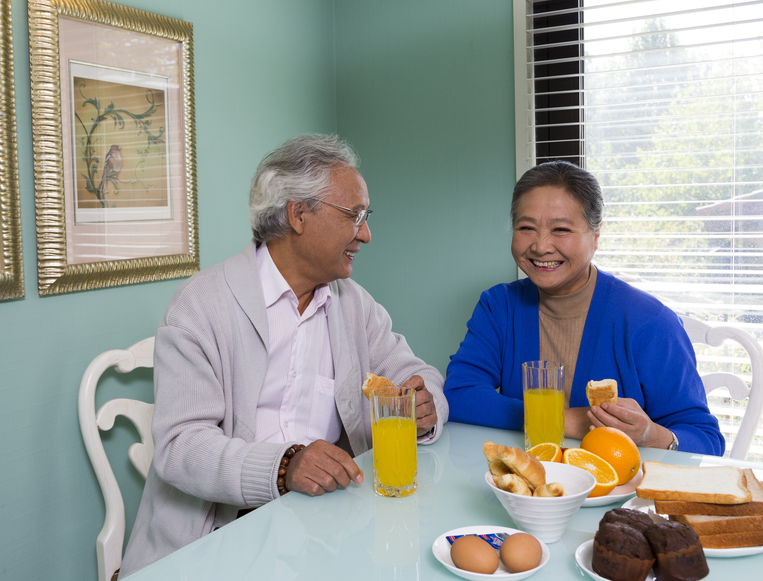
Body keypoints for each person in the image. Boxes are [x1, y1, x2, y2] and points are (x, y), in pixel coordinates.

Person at [120, 134, 448, 576]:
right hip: (221, 536)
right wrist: (284, 465)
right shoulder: (201, 305)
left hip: (327, 524)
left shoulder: (352, 302)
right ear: (298, 214)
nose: (366, 234)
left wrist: (425, 401)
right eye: (355, 215)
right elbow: (181, 447)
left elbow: (415, 371)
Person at [444, 160, 724, 456]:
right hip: (530, 489)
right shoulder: (498, 306)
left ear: (596, 235)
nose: (541, 246)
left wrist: (650, 434)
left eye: (561, 229)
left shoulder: (650, 321)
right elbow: (460, 395)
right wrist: (566, 420)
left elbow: (706, 440)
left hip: (621, 492)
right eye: (526, 227)